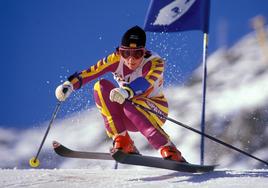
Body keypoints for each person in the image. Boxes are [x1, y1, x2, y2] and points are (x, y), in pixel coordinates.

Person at [55, 25, 186, 162]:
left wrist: (127, 91)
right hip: (127, 113)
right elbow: (91, 72)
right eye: (125, 53)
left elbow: (146, 81)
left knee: (131, 103)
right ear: (119, 52)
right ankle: (123, 139)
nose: (131, 59)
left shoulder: (155, 62)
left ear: (144, 52)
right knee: (100, 87)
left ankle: (167, 148)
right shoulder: (115, 59)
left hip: (155, 110)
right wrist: (69, 85)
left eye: (137, 54)